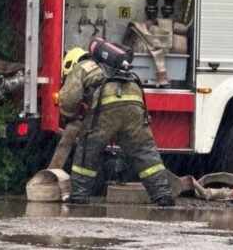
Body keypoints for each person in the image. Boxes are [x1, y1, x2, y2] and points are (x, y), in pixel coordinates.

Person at [59, 45, 175, 206]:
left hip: (108, 107)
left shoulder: (81, 67)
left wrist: (69, 115)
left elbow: (69, 98)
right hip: (134, 103)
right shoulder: (113, 65)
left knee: (88, 150)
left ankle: (79, 196)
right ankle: (162, 194)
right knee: (144, 151)